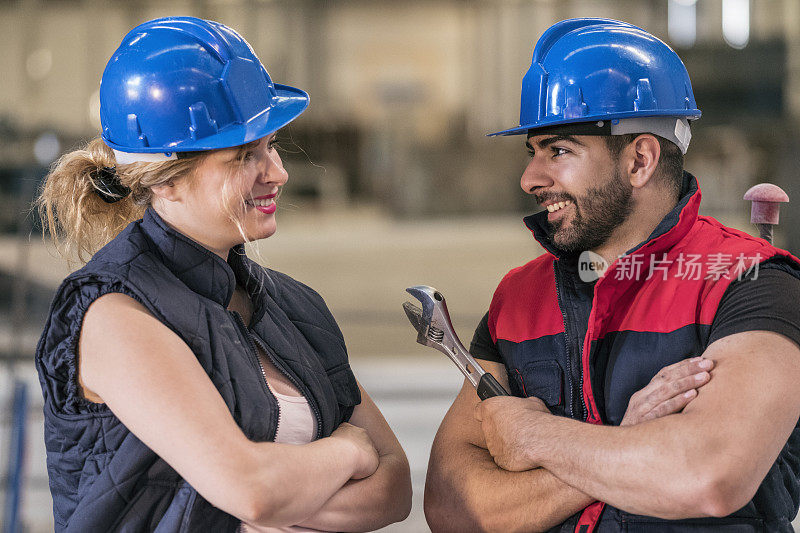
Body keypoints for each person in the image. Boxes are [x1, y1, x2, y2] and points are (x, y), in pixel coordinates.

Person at [34, 16, 411, 532]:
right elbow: (250, 490)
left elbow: (394, 488)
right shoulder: (114, 314)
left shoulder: (295, 309)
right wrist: (347, 452)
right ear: (165, 179)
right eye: (243, 156)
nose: (277, 172)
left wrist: (278, 497)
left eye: (271, 146)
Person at [424, 17, 800, 532]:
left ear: (640, 159)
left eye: (559, 150)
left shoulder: (751, 284)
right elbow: (454, 508)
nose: (530, 178)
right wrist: (630, 438)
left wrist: (534, 439)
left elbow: (708, 475)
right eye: (533, 152)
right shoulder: (519, 298)